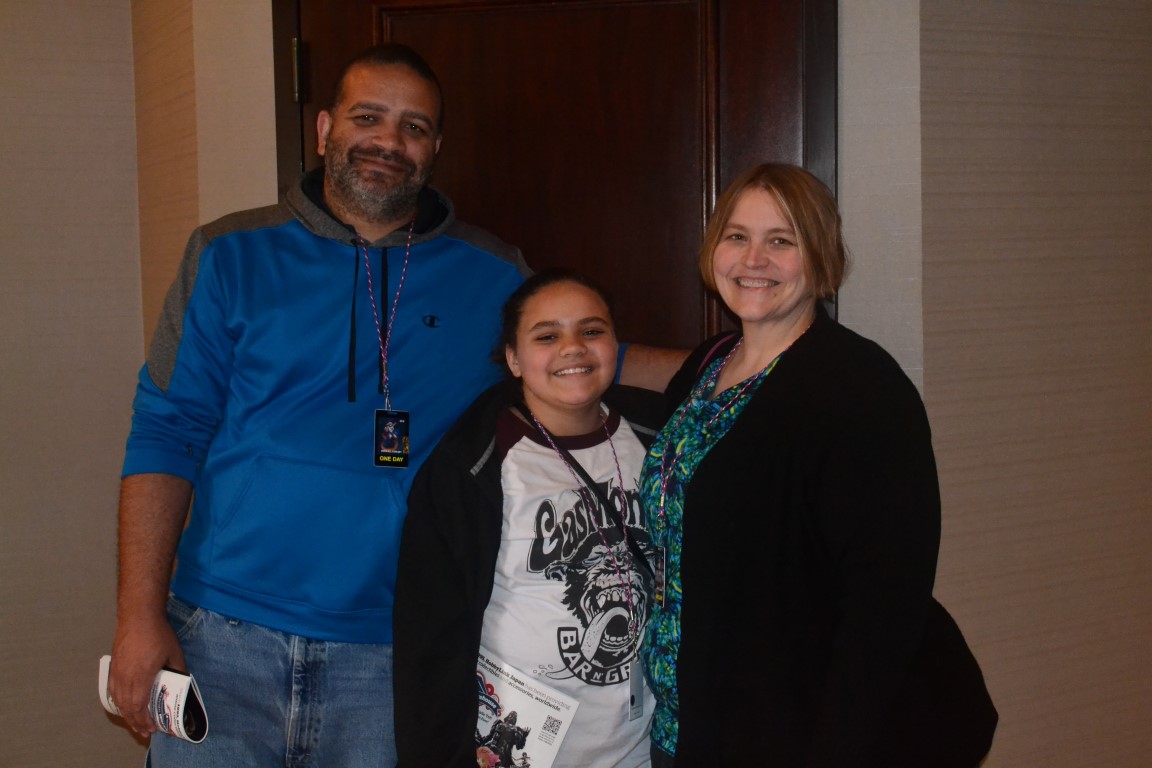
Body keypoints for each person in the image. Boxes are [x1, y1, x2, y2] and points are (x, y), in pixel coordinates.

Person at [107, 44, 677, 766]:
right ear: (325, 129)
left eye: (414, 127)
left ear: (434, 149)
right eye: (367, 117)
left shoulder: (492, 273)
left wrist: (743, 363)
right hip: (222, 640)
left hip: (391, 657)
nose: (388, 141)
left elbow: (581, 356)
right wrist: (138, 616)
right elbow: (166, 432)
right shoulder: (228, 253)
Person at [640, 164, 998, 767]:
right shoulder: (709, 364)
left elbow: (885, 606)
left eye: (781, 240)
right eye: (736, 236)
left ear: (820, 256)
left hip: (787, 735)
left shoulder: (862, 391)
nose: (753, 259)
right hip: (684, 723)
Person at [393, 270, 663, 767]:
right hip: (515, 750)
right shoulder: (473, 463)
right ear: (514, 359)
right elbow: (429, 636)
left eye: (591, 330)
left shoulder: (659, 438)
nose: (572, 348)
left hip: (640, 746)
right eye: (546, 336)